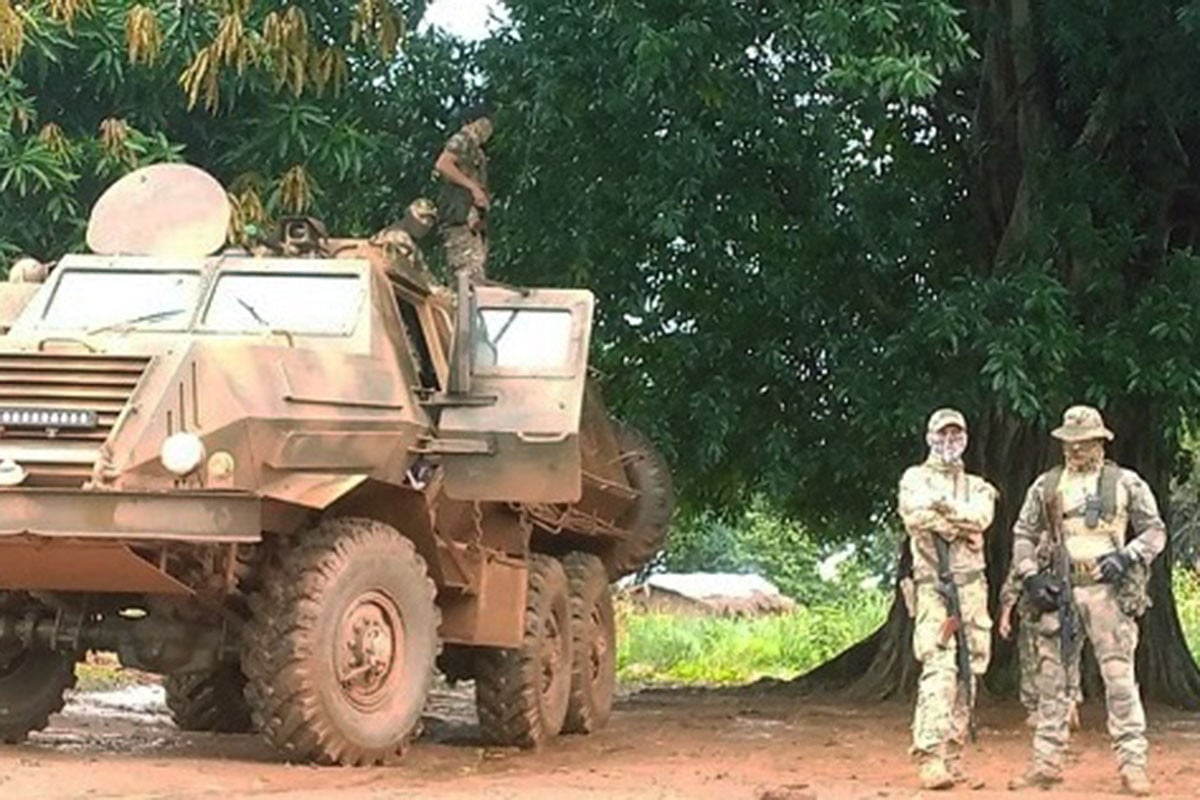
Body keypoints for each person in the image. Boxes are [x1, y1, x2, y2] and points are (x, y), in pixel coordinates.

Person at [1008, 405, 1164, 796]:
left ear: (1100, 441)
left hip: (1107, 592)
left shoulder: (1126, 483)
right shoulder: (1046, 485)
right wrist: (1030, 575)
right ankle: (1046, 763)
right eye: (1068, 443)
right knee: (1052, 682)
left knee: (1119, 679)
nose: (1075, 450)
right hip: (1059, 589)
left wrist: (1126, 557)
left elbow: (1154, 531)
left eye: (1083, 443)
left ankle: (1133, 765)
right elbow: (1023, 533)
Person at [898, 408, 998, 790]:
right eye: (941, 435)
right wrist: (955, 524)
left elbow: (980, 518)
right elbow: (914, 516)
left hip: (972, 588)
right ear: (929, 437)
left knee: (971, 668)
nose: (948, 442)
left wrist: (945, 510)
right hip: (933, 587)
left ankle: (954, 754)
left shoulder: (978, 485)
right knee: (939, 666)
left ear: (966, 440)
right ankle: (930, 756)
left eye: (956, 435)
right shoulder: (914, 478)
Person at [998, 557, 1081, 729]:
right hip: (1047, 610)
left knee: (1043, 658)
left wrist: (1005, 616)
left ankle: (1052, 706)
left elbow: (1014, 580)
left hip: (1053, 610)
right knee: (1059, 657)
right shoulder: (1032, 544)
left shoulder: (1034, 542)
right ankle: (1059, 705)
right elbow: (1014, 580)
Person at [433, 105, 492, 280]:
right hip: (459, 219)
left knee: (476, 273)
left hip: (472, 222)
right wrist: (473, 188)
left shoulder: (476, 150)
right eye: (483, 124)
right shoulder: (462, 139)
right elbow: (443, 164)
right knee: (466, 276)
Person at [371, 198, 438, 282]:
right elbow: (421, 275)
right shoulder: (399, 236)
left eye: (430, 220)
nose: (425, 223)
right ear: (409, 214)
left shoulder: (392, 231)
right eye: (422, 216)